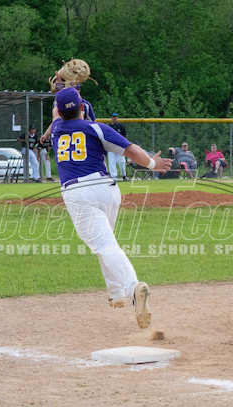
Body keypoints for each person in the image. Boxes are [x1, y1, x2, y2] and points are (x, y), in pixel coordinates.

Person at [50, 87, 172, 329]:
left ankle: (133, 288)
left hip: (78, 193)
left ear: (60, 112)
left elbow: (56, 111)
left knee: (104, 245)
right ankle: (115, 292)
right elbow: (131, 150)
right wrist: (152, 164)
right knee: (107, 242)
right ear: (82, 108)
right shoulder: (96, 128)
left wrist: (60, 87)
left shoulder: (55, 129)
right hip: (107, 190)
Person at [107, 113, 128, 181]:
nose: (115, 118)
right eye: (113, 117)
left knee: (122, 162)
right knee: (112, 163)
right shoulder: (108, 126)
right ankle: (114, 177)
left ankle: (124, 175)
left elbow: (124, 137)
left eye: (116, 117)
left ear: (117, 118)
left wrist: (125, 146)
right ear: (111, 118)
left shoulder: (121, 126)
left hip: (119, 147)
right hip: (111, 147)